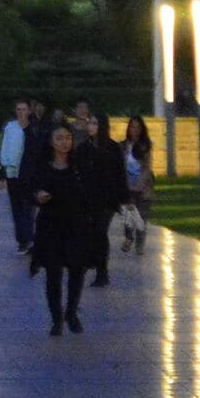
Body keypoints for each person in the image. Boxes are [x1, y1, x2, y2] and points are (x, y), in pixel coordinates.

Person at [28, 123, 89, 335]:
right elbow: (30, 189)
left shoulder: (78, 167)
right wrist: (37, 196)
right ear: (51, 142)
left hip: (75, 226)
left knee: (76, 271)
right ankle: (56, 318)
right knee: (53, 273)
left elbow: (89, 193)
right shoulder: (43, 167)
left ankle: (71, 312)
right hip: (51, 227)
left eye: (68, 138)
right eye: (59, 138)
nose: (64, 142)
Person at [87, 113, 128, 285]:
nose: (91, 126)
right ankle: (95, 261)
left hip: (108, 199)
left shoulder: (112, 148)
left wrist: (124, 199)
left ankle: (101, 272)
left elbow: (120, 174)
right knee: (93, 232)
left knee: (100, 231)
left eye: (94, 123)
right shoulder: (84, 148)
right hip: (89, 198)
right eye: (90, 123)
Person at [0, 100, 37, 254]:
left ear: (29, 111)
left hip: (29, 174)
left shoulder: (33, 128)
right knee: (17, 207)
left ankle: (29, 238)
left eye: (24, 109)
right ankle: (22, 240)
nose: (21, 112)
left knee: (28, 207)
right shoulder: (10, 128)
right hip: (13, 173)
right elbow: (5, 149)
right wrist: (2, 172)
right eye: (19, 109)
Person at [120, 115, 155, 255]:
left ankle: (139, 246)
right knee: (128, 216)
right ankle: (129, 238)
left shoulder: (145, 146)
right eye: (132, 127)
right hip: (127, 186)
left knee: (141, 218)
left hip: (143, 187)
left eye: (138, 127)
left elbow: (147, 167)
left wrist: (140, 184)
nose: (135, 130)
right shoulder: (123, 146)